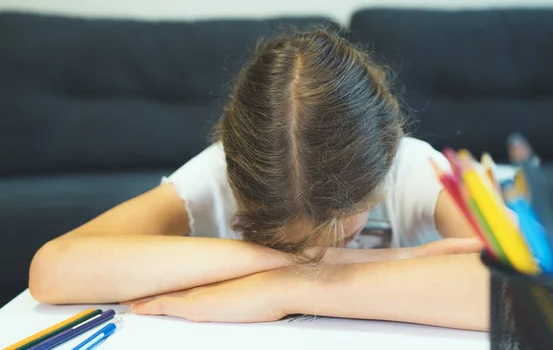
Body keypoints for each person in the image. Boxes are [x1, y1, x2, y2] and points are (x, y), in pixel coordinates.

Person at [30, 28, 498, 331]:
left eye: (336, 229)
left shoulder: (413, 169)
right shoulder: (218, 173)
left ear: (380, 175)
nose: (312, 248)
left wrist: (289, 286)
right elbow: (53, 271)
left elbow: (531, 295)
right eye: (284, 244)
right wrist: (377, 259)